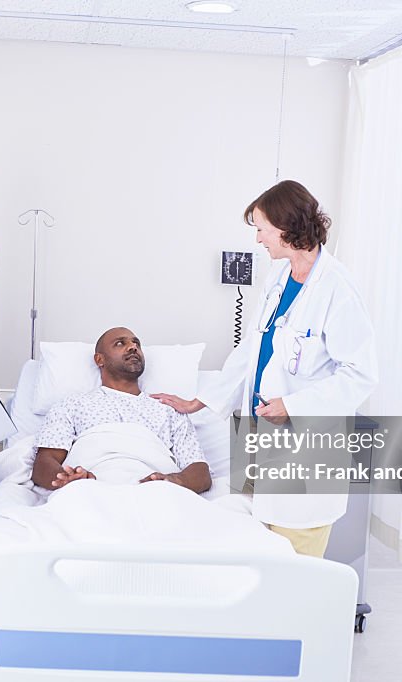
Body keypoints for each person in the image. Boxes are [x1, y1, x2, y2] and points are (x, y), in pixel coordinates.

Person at [153, 181, 378, 558]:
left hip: (304, 440)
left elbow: (360, 373)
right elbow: (252, 350)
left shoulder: (337, 288)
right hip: (257, 428)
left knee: (297, 554)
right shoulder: (279, 277)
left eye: (261, 229)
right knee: (255, 545)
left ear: (286, 227)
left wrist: (294, 405)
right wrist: (202, 400)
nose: (258, 239)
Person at [31, 327, 212, 494]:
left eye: (136, 343)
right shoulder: (71, 405)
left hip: (155, 493)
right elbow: (43, 464)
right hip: (89, 491)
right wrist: (68, 480)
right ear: (99, 359)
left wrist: (173, 480)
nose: (133, 347)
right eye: (120, 343)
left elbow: (200, 472)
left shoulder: (169, 409)